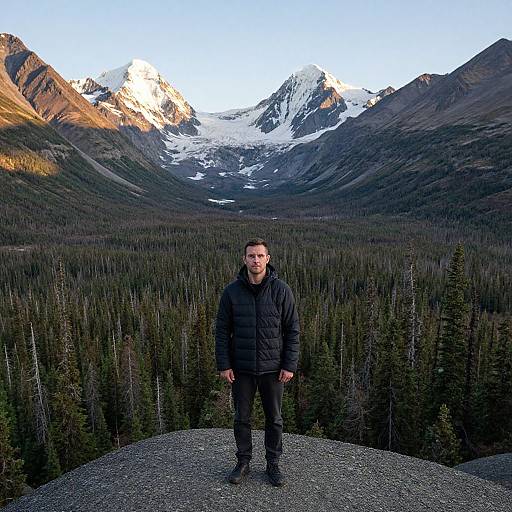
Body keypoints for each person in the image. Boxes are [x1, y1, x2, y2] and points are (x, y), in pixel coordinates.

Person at [215, 238, 300, 487]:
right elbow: (222, 331)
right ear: (244, 260)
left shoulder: (281, 290)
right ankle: (243, 462)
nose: (255, 260)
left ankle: (273, 464)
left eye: (260, 256)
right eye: (251, 256)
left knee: (274, 418)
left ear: (268, 259)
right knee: (242, 417)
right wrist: (224, 364)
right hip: (241, 370)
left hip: (273, 370)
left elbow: (292, 330)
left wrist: (289, 365)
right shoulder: (231, 292)